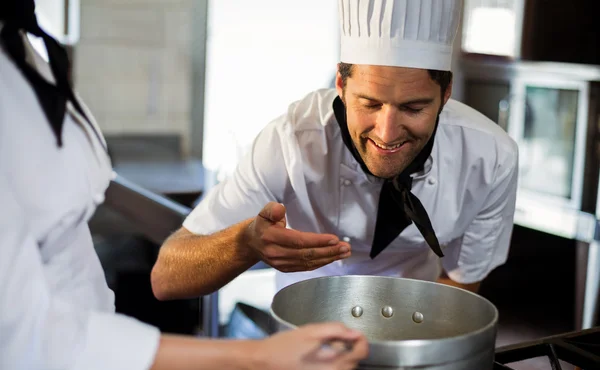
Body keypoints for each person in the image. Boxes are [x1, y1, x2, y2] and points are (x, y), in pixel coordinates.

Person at [0, 2, 369, 370]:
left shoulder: (24, 52)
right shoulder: (292, 138)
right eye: (370, 103)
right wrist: (256, 360)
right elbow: (21, 339)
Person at [151, 0, 519, 301]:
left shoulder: (490, 159)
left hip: (414, 327)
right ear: (341, 85)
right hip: (299, 339)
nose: (387, 133)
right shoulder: (291, 140)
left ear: (446, 93)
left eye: (413, 108)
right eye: (370, 104)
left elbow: (460, 286)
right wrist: (246, 243)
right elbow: (166, 279)